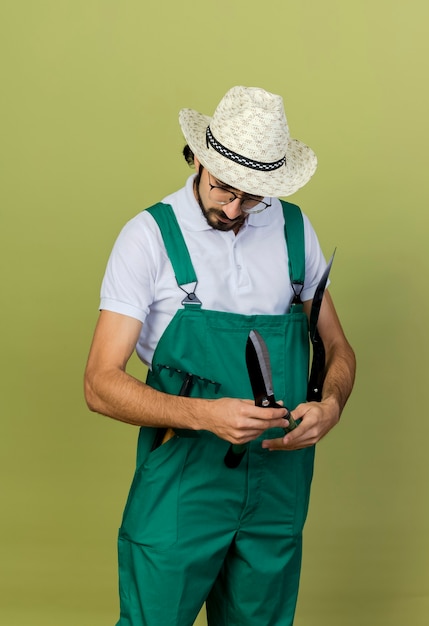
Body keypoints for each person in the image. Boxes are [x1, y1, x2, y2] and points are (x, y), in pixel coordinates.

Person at [84, 86, 356, 626]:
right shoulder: (148, 238)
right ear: (197, 158)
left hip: (279, 478)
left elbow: (338, 347)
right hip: (186, 476)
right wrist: (206, 415)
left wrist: (331, 405)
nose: (233, 209)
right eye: (223, 188)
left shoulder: (295, 229)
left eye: (251, 197)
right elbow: (99, 383)